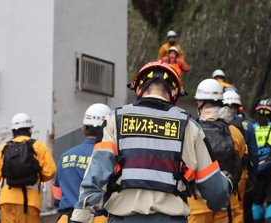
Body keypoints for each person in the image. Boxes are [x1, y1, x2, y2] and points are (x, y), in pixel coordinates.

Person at [70, 61, 232, 223]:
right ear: (175, 91)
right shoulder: (190, 127)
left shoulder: (115, 120)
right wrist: (227, 185)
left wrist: (80, 218)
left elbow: (95, 177)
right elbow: (215, 194)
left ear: (138, 89)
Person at [0, 113, 57, 223]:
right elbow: (50, 171)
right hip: (29, 202)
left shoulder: (4, 147)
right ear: (30, 130)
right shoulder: (39, 146)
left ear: (12, 132)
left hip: (6, 201)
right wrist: (36, 177)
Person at [188, 78, 245, 223]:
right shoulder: (235, 133)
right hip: (227, 205)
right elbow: (240, 158)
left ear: (200, 103)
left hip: (197, 206)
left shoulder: (191, 132)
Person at [52, 103, 111, 223]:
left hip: (66, 218)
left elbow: (57, 196)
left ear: (84, 129)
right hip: (98, 218)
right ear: (109, 129)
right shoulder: (109, 156)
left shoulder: (65, 156)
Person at [223, 90, 259, 223]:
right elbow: (254, 154)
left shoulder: (218, 122)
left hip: (218, 172)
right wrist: (253, 177)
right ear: (238, 107)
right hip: (241, 173)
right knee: (237, 208)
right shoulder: (247, 125)